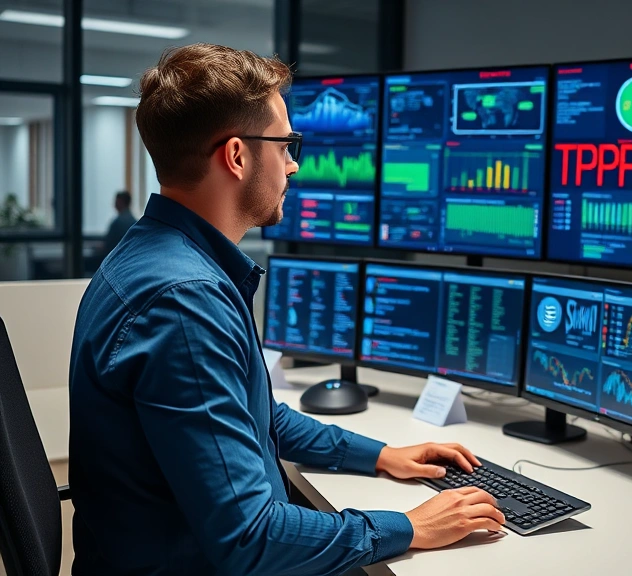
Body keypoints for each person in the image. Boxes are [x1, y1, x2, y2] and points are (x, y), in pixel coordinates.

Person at [69, 44, 504, 575]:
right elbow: (251, 539)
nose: (294, 164)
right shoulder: (185, 301)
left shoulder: (151, 258)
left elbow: (251, 414)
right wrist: (411, 527)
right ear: (236, 156)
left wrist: (381, 455)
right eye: (286, 145)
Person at [99, 190, 137, 259]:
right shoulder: (134, 221)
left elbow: (108, 245)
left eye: (116, 201)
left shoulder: (118, 222)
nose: (114, 204)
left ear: (120, 202)